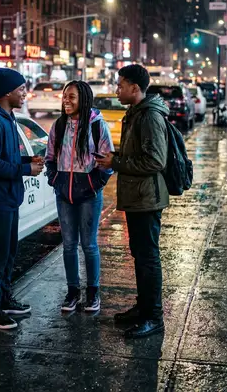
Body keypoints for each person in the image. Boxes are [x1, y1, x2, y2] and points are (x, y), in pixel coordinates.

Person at [97, 65, 169, 339]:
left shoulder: (149, 116)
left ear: (135, 88)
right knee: (141, 255)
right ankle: (144, 307)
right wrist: (114, 157)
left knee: (148, 257)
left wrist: (115, 161)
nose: (117, 90)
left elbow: (155, 160)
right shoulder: (137, 113)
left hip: (147, 197)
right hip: (138, 196)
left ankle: (154, 317)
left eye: (120, 85)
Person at [0, 68, 44, 330]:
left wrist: (27, 160)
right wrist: (25, 169)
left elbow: (7, 157)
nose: (25, 93)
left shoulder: (8, 117)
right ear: (7, 92)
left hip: (9, 197)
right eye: (21, 89)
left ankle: (4, 299)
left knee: (8, 252)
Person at [45, 81, 114, 313]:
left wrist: (94, 184)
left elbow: (107, 162)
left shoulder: (97, 126)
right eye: (65, 96)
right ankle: (72, 292)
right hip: (64, 193)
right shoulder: (59, 125)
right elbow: (49, 157)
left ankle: (93, 292)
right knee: (68, 245)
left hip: (89, 195)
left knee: (89, 244)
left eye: (72, 97)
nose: (66, 100)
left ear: (83, 99)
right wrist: (56, 179)